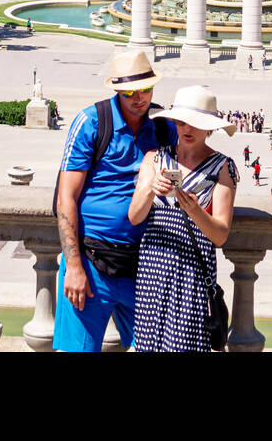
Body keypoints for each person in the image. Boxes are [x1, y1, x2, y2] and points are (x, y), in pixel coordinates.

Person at [53, 50, 173, 352]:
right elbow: (65, 198)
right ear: (117, 90)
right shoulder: (91, 122)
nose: (139, 97)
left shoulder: (163, 127)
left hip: (144, 265)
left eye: (145, 89)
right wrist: (74, 268)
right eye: (130, 91)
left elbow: (193, 156)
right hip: (91, 264)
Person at [129, 85, 237, 353]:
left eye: (195, 124)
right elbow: (134, 216)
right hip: (153, 269)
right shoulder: (154, 158)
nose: (186, 129)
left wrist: (194, 210)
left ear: (210, 127)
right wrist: (151, 188)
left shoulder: (223, 167)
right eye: (180, 122)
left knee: (185, 345)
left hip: (191, 272)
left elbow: (220, 235)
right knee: (148, 345)